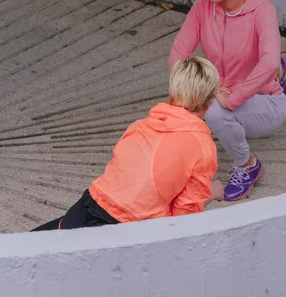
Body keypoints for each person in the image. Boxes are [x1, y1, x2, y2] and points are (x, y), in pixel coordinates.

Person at [31, 57, 224, 231]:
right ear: (209, 103)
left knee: (30, 247)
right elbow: (183, 218)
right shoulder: (203, 148)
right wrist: (211, 193)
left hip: (91, 203)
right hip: (129, 227)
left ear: (173, 93)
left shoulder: (142, 124)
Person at [168, 0, 286, 202]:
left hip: (268, 101)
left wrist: (232, 98)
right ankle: (278, 70)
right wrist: (195, 89)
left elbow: (265, 64)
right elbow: (179, 52)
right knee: (186, 105)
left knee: (214, 111)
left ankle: (248, 166)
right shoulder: (204, 5)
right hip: (221, 89)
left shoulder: (262, 10)